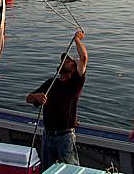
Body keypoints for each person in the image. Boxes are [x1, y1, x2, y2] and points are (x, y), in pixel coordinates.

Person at [26, 31, 88, 171]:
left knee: (70, 171)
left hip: (65, 137)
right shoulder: (50, 82)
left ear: (73, 68)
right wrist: (35, 97)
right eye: (63, 60)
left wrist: (76, 39)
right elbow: (28, 98)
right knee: (47, 170)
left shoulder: (75, 83)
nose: (64, 61)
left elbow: (83, 57)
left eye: (68, 60)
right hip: (48, 135)